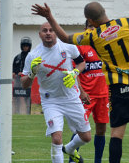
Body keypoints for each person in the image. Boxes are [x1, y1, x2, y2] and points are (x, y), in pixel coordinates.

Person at [31, 1, 129, 163]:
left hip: (118, 90)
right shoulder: (128, 22)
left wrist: (49, 16)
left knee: (117, 134)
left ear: (90, 21)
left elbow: (64, 37)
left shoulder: (93, 35)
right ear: (104, 11)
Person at [21, 22, 91, 163]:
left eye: (51, 30)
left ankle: (70, 149)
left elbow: (81, 63)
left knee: (86, 137)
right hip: (51, 101)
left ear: (56, 33)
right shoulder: (33, 55)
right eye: (44, 30)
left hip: (72, 98)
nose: (48, 33)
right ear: (40, 34)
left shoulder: (68, 47)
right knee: (56, 138)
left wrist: (74, 72)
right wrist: (32, 73)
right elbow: (24, 84)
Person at [69, 20, 109, 163]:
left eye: (96, 27)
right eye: (91, 26)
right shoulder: (80, 47)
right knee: (80, 129)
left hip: (103, 95)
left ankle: (98, 160)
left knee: (101, 130)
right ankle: (72, 159)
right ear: (85, 28)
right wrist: (81, 91)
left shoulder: (105, 46)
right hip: (86, 95)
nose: (93, 29)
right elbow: (75, 71)